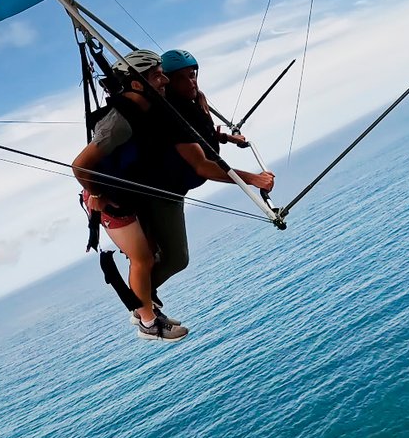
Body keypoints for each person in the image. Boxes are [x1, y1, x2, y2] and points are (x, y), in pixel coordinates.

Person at [72, 49, 274, 341]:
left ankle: (144, 307)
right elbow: (81, 165)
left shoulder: (155, 105)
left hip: (136, 189)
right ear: (138, 83)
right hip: (114, 198)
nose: (165, 80)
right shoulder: (122, 119)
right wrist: (97, 193)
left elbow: (190, 131)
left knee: (158, 258)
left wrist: (226, 136)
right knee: (146, 259)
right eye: (158, 75)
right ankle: (145, 318)